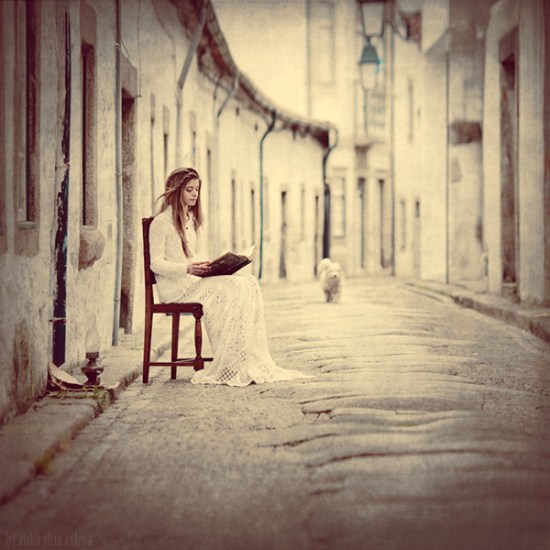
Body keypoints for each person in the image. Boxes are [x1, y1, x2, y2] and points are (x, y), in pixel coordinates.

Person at [149, 167, 312, 386]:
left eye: (197, 189)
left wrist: (209, 266)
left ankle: (244, 359)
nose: (195, 194)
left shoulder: (189, 220)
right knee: (233, 288)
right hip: (176, 290)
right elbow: (156, 264)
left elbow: (189, 256)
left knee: (248, 283)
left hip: (192, 282)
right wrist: (188, 269)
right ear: (176, 191)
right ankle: (229, 361)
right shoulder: (161, 223)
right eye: (189, 189)